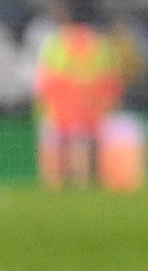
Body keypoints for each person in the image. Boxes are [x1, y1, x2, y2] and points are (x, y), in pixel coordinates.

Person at [31, 18, 121, 191]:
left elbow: (46, 75)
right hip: (86, 103)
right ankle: (81, 181)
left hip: (62, 102)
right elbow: (110, 76)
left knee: (62, 143)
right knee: (79, 142)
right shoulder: (99, 43)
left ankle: (57, 183)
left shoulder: (57, 42)